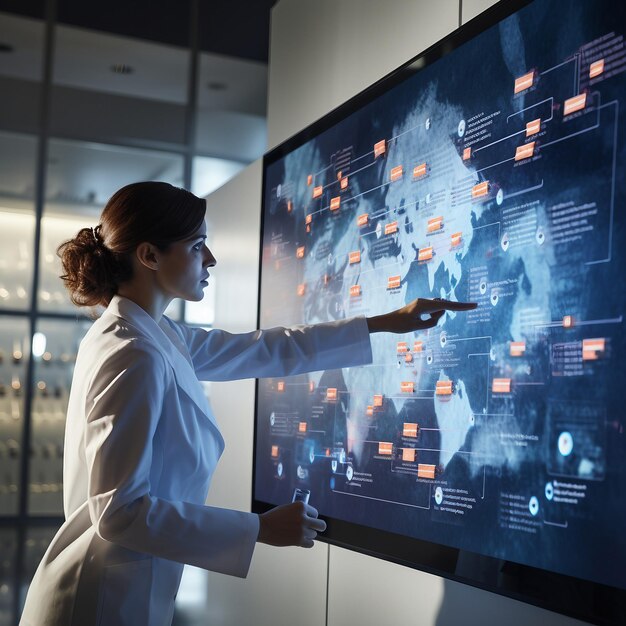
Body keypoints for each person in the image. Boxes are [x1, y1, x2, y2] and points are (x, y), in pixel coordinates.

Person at [19, 182, 476, 626]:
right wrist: (259, 529)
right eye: (198, 245)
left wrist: (384, 323)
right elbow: (118, 513)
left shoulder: (152, 335)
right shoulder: (133, 351)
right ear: (150, 256)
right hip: (97, 603)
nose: (211, 258)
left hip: (118, 593)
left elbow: (266, 349)